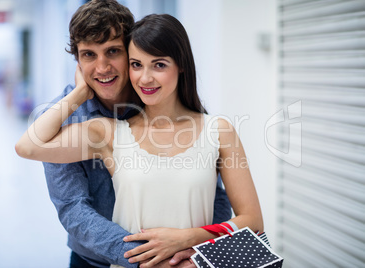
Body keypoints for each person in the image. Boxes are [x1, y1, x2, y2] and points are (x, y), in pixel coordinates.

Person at [37, 1, 231, 267]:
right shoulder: (62, 119)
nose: (102, 67)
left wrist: (198, 250)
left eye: (113, 51)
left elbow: (211, 191)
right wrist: (148, 258)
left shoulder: (158, 98)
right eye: (88, 55)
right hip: (96, 260)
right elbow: (73, 209)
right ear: (77, 60)